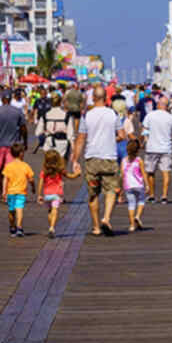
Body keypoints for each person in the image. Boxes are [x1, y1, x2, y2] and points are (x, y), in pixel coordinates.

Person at [68, 85, 125, 236]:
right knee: (111, 189)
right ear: (106, 98)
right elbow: (122, 135)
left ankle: (96, 227)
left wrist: (75, 160)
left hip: (92, 159)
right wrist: (111, 139)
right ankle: (106, 218)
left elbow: (80, 139)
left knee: (93, 193)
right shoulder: (113, 114)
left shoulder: (87, 115)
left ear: (93, 98)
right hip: (109, 158)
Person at [0, 89, 28, 204]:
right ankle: (10, 192)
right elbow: (24, 129)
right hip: (14, 146)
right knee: (13, 171)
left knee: (0, 171)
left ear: (2, 99)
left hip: (0, 146)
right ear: (10, 99)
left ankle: (2, 194)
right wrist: (26, 142)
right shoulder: (17, 112)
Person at [141, 96, 172, 204]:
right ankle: (164, 196)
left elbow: (144, 131)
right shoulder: (170, 117)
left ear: (158, 104)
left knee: (150, 172)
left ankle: (152, 195)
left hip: (151, 147)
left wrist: (142, 142)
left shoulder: (150, 116)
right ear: (167, 106)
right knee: (165, 172)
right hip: (166, 148)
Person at [1, 142, 35, 237]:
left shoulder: (8, 166)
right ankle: (19, 227)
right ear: (21, 153)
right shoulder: (25, 166)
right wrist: (33, 187)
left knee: (11, 211)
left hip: (10, 192)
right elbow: (31, 179)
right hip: (21, 191)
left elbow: (5, 179)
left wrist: (4, 191)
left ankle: (13, 226)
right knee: (19, 209)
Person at [39, 149, 75, 238]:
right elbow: (70, 176)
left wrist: (39, 194)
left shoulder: (44, 171)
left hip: (47, 195)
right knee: (55, 210)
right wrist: (77, 174)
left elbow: (41, 182)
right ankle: (52, 227)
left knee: (50, 211)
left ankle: (51, 226)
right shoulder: (60, 170)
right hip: (56, 194)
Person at [121, 137, 148, 231]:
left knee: (131, 204)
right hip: (138, 184)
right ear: (137, 150)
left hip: (128, 186)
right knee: (141, 201)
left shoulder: (124, 160)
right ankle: (137, 216)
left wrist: (120, 188)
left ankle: (132, 225)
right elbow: (144, 173)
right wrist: (147, 185)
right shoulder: (139, 160)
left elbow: (122, 174)